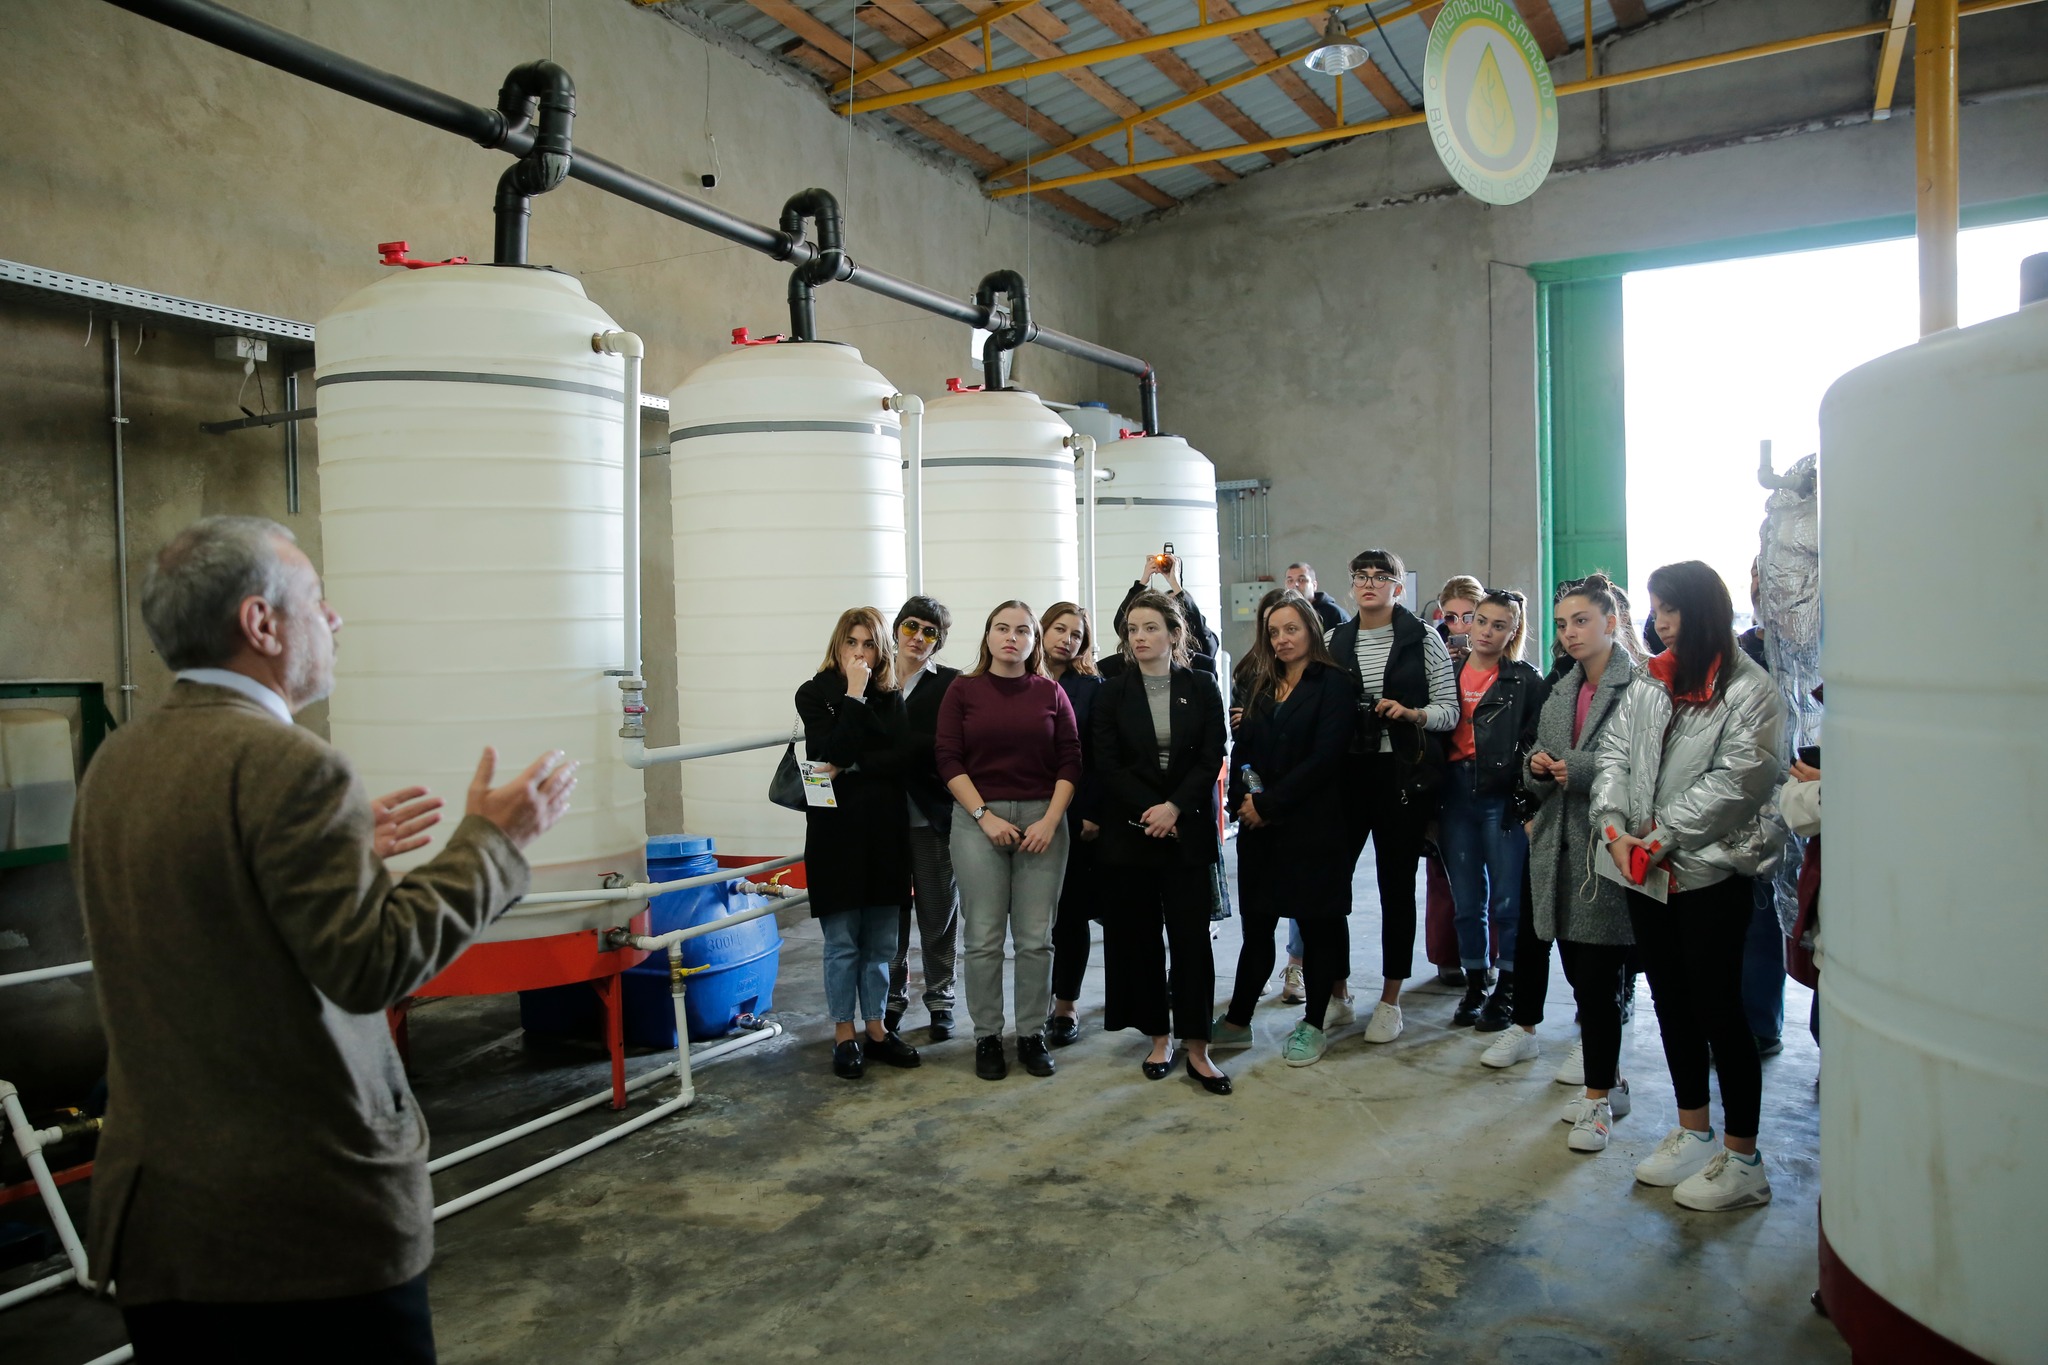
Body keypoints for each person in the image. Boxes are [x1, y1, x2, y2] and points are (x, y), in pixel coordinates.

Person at [75, 516, 574, 1359]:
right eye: (315, 598)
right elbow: (372, 964)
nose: (334, 617)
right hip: (301, 1235)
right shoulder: (293, 765)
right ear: (261, 623)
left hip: (163, 1231)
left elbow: (208, 924)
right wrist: (494, 842)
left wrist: (341, 855)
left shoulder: (117, 762)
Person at [1592, 560, 1786, 1212]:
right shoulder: (1652, 680)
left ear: (1703, 609)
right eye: (1656, 608)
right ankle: (1695, 1130)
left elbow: (1739, 781)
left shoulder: (1750, 690)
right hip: (1645, 871)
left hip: (1708, 873)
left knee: (1719, 1009)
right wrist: (1613, 827)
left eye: (1670, 608)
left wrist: (1659, 836)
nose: (1661, 621)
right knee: (1671, 1001)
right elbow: (1615, 755)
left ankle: (1744, 1158)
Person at [1480, 575, 1644, 1157]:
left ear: (1611, 623)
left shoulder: (1638, 687)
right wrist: (1537, 768)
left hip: (1606, 847)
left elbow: (1645, 767)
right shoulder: (1563, 687)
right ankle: (1608, 1082)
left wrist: (1577, 768)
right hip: (1556, 844)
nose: (1570, 633)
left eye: (1581, 621)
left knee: (1598, 981)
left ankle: (1599, 1098)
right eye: (1561, 624)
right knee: (1577, 971)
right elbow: (1535, 754)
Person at [934, 602, 1082, 1081]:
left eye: (1022, 630)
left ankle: (1032, 1034)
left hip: (1043, 820)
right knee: (983, 937)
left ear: (1034, 641)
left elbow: (1071, 759)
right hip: (978, 820)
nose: (1011, 638)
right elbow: (948, 758)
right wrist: (984, 816)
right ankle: (988, 1036)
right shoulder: (963, 690)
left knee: (1036, 939)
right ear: (988, 636)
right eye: (1002, 628)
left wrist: (1050, 820)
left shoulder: (1051, 692)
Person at [1092, 592, 1231, 1093]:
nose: (1140, 637)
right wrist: (1151, 810)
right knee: (1142, 938)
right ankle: (1158, 1038)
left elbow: (1212, 753)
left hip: (1186, 829)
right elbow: (1107, 763)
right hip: (1132, 832)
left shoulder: (1202, 684)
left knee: (1191, 941)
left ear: (1175, 634)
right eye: (1132, 629)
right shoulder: (1112, 691)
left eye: (1150, 627)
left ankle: (1198, 1047)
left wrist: (1174, 808)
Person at [1213, 593, 1356, 1066]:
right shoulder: (1261, 682)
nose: (1281, 640)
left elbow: (1325, 758)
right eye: (1273, 632)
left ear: (1311, 629)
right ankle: (1237, 1021)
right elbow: (1244, 750)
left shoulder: (1334, 683)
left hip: (1313, 827)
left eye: (1291, 629)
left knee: (1317, 928)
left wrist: (1269, 804)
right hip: (1261, 831)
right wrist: (1244, 800)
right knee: (1257, 930)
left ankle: (1313, 1024)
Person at [1324, 548, 1458, 1045]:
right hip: (1347, 773)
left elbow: (1449, 710)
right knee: (1330, 887)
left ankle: (1389, 1000)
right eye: (1361, 576)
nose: (1369, 584)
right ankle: (1337, 993)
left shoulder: (1423, 638)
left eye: (1381, 577)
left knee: (1395, 888)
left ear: (1398, 588)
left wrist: (1410, 713)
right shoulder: (1334, 639)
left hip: (1402, 774)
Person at [795, 607, 920, 1080]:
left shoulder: (891, 694)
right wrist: (852, 694)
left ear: (881, 648)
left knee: (882, 941)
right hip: (835, 832)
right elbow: (830, 752)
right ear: (838, 644)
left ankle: (877, 1028)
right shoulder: (813, 693)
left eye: (869, 643)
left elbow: (901, 759)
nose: (860, 653)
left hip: (884, 830)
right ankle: (843, 1031)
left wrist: (852, 766)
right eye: (852, 642)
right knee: (842, 940)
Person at [1438, 589, 1547, 1032]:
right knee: (1466, 902)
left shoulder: (1525, 680)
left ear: (1513, 631)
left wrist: (1525, 803)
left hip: (1502, 797)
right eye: (1480, 621)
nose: (1485, 631)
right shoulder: (1447, 672)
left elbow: (1535, 744)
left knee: (1507, 901)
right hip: (1454, 795)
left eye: (1498, 625)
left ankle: (1508, 989)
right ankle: (1475, 984)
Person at [885, 596, 962, 1040]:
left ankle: (940, 999)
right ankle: (893, 998)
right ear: (897, 629)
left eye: (930, 632)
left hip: (932, 817)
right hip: (882, 821)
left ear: (939, 641)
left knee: (938, 914)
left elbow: (952, 749)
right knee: (891, 918)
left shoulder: (951, 684)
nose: (918, 638)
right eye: (911, 627)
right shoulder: (873, 679)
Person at [1041, 602, 1102, 1046]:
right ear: (1042, 631)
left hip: (1076, 815)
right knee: (1032, 920)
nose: (1067, 639)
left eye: (1076, 634)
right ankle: (1033, 1003)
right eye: (1059, 629)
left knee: (1071, 915)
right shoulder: (1018, 680)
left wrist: (1093, 811)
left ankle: (1065, 1005)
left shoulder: (1092, 688)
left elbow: (1100, 756)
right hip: (1023, 812)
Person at [1424, 575, 1486, 989]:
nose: (1460, 626)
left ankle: (1486, 957)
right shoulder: (1433, 654)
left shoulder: (1501, 660)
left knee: (1491, 875)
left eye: (1470, 617)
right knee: (1443, 872)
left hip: (1486, 775)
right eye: (1451, 617)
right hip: (1443, 776)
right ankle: (1447, 956)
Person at [1111, 550, 1219, 666]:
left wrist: (1175, 584)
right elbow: (1122, 623)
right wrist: (1142, 582)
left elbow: (1198, 626)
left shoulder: (1202, 644)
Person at [1285, 562, 1350, 631]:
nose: (1295, 585)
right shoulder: (1283, 613)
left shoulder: (1334, 613)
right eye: (1290, 581)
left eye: (1301, 580)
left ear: (1314, 585)